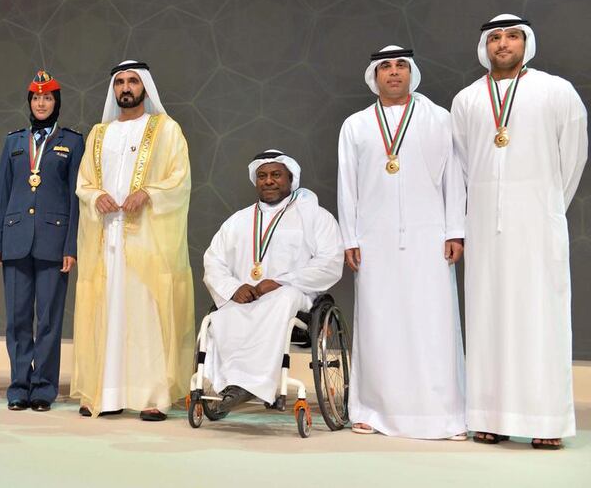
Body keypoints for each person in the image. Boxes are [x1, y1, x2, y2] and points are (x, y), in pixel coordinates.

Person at [451, 14, 588, 450]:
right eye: (495, 38)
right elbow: (460, 166)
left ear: (526, 42)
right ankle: (490, 416)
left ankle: (546, 420)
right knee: (488, 316)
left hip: (538, 224)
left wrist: (546, 205)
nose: (503, 44)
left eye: (511, 36)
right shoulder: (468, 99)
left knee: (541, 317)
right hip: (485, 226)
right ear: (484, 47)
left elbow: (574, 157)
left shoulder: (555, 90)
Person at [337, 46, 467, 439]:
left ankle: (444, 414)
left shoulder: (440, 119)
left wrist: (454, 231)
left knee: (433, 322)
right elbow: (347, 184)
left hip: (431, 236)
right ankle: (371, 409)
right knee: (378, 321)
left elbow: (454, 178)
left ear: (412, 73)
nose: (393, 73)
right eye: (385, 67)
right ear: (374, 76)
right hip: (373, 238)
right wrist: (350, 237)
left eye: (401, 66)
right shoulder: (356, 125)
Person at [72, 60, 194, 420]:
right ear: (113, 89)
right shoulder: (99, 133)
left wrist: (150, 193)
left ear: (145, 87)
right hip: (107, 237)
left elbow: (180, 178)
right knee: (106, 311)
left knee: (145, 313)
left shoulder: (167, 129)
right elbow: (84, 182)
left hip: (148, 240)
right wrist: (97, 198)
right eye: (120, 82)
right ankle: (106, 393)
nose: (126, 88)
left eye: (133, 81)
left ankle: (152, 396)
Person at [202, 150, 343, 410]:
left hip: (294, 294)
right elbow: (213, 260)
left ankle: (250, 384)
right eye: (262, 176)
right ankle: (234, 382)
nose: (268, 181)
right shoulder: (238, 221)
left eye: (276, 175)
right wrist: (233, 288)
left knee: (282, 298)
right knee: (225, 313)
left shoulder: (314, 216)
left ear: (291, 179)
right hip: (247, 294)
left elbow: (330, 261)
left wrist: (281, 281)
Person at [0, 71, 83, 412]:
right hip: (14, 239)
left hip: (53, 241)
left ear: (56, 102)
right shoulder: (13, 141)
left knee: (48, 320)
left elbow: (76, 199)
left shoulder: (72, 142)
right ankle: (18, 385)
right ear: (29, 102)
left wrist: (71, 246)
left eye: (48, 98)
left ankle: (43, 386)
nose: (41, 103)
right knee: (16, 319)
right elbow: (3, 195)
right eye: (36, 98)